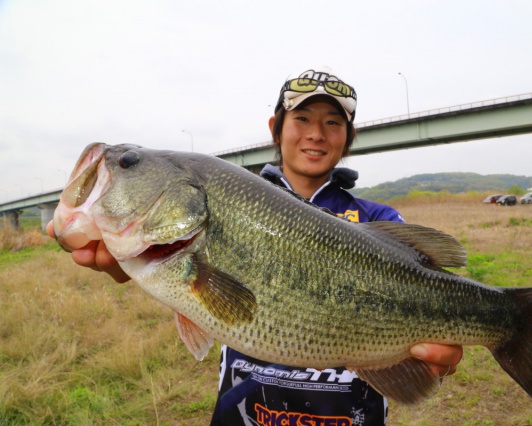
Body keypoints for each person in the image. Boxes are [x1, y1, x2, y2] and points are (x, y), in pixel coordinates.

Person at [47, 66, 463, 425]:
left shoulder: (382, 221)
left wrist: (431, 362)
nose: (316, 134)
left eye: (333, 123)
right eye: (302, 118)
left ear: (348, 136)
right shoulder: (230, 194)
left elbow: (431, 347)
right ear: (276, 128)